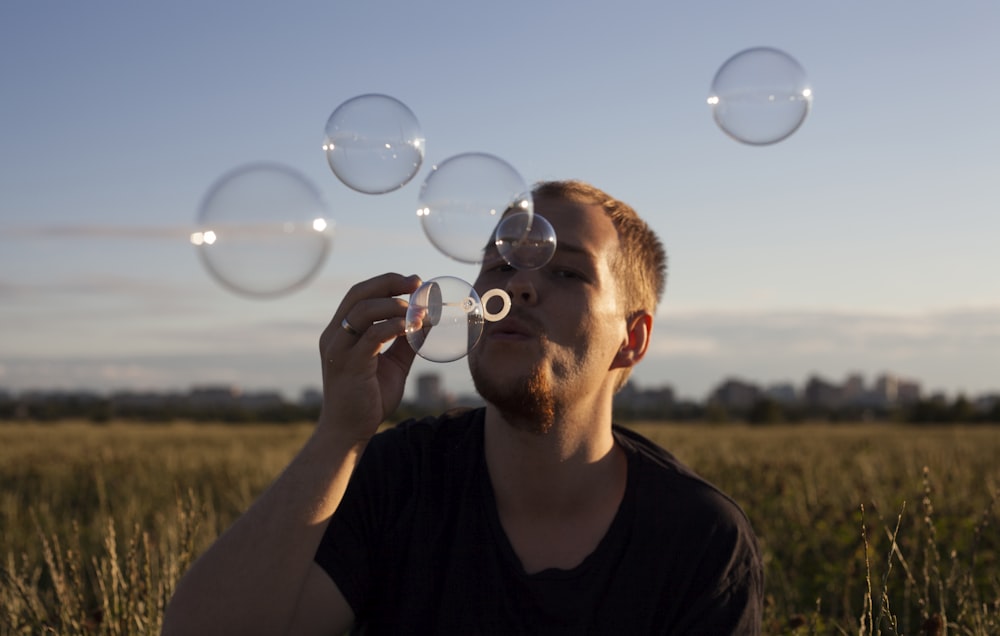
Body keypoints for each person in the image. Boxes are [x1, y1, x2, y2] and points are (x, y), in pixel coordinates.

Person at [162, 180, 764, 635]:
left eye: (567, 271)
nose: (519, 285)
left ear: (632, 339)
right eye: (502, 265)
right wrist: (340, 434)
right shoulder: (397, 478)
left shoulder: (697, 537)